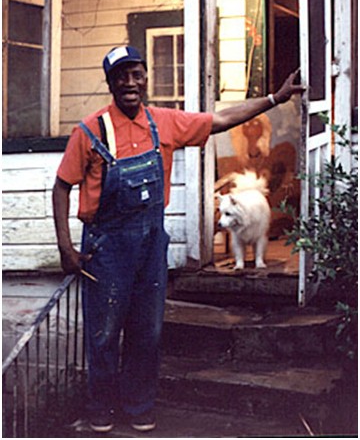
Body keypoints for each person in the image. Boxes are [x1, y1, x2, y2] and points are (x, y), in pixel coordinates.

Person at [52, 45, 304, 433]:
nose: (131, 82)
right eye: (122, 76)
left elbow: (220, 119)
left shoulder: (163, 122)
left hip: (151, 240)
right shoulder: (90, 130)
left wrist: (274, 98)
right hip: (105, 245)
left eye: (137, 74)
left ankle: (138, 407)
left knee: (147, 329)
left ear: (145, 79)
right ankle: (100, 408)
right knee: (103, 330)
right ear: (111, 82)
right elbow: (61, 186)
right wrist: (66, 248)